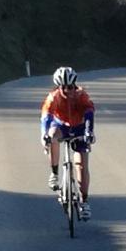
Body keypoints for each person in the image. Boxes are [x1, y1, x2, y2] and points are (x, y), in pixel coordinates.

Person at [40, 66, 95, 220]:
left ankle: (84, 201)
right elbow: (46, 117)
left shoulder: (81, 95)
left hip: (79, 128)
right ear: (59, 87)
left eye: (71, 87)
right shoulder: (53, 97)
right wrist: (44, 135)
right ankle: (54, 173)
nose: (68, 91)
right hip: (61, 126)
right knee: (52, 136)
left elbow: (89, 112)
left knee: (81, 165)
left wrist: (89, 132)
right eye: (64, 88)